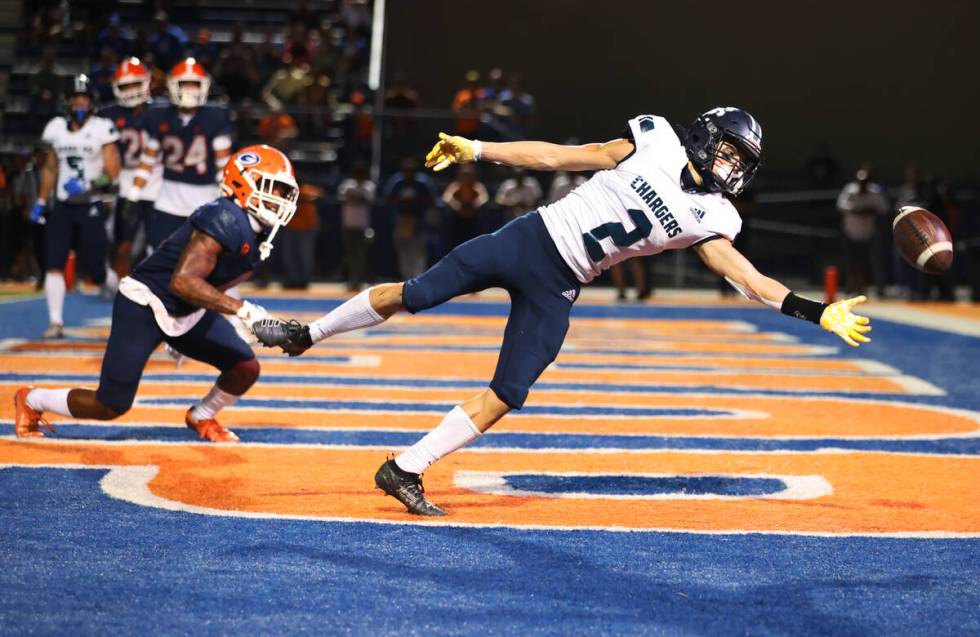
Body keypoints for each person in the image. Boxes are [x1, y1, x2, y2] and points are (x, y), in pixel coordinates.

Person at [255, 107, 872, 517]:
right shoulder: (651, 140)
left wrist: (817, 312)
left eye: (744, 163)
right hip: (530, 238)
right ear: (707, 136)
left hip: (563, 283)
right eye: (731, 153)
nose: (733, 168)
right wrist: (478, 148)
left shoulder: (718, 215)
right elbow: (557, 156)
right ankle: (309, 333)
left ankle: (405, 466)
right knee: (414, 293)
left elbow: (746, 276)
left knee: (509, 391)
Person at [13, 145, 299, 442]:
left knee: (245, 367)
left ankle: (201, 415)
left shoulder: (260, 234)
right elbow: (183, 282)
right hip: (147, 303)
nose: (280, 199)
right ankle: (32, 399)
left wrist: (199, 318)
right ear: (243, 182)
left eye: (284, 192)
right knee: (111, 404)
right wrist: (242, 311)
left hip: (186, 307)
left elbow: (214, 280)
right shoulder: (225, 217)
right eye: (274, 188)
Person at [30, 75, 121, 339]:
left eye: (83, 97)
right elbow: (49, 168)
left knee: (98, 270)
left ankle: (122, 300)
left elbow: (113, 172)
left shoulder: (102, 127)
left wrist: (90, 184)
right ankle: (56, 322)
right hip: (63, 206)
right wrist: (41, 201)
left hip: (91, 205)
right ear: (67, 102)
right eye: (75, 97)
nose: (79, 102)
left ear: (91, 101)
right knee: (54, 263)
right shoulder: (56, 128)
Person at [125, 58, 234, 249]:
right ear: (173, 86)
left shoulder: (214, 118)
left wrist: (227, 198)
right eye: (185, 84)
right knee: (157, 253)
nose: (189, 91)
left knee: (203, 256)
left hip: (204, 198)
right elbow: (148, 158)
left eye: (194, 85)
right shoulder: (159, 116)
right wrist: (134, 193)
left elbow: (223, 166)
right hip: (168, 198)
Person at [100, 58, 162, 280]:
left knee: (161, 242)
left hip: (159, 184)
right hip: (126, 185)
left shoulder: (161, 111)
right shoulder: (108, 115)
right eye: (125, 86)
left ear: (146, 83)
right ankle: (118, 285)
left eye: (135, 84)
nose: (131, 91)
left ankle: (158, 284)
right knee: (123, 242)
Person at [836, 164, 889, 296]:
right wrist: (859, 210)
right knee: (851, 262)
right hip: (850, 232)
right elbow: (841, 206)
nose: (862, 185)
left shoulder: (875, 191)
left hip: (868, 234)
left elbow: (884, 208)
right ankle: (849, 288)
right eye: (861, 182)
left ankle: (863, 289)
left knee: (867, 263)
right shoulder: (850, 190)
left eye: (865, 182)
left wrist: (867, 210)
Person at [337, 161, 376, 290]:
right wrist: (355, 196)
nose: (359, 175)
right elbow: (343, 197)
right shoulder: (348, 184)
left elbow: (365, 199)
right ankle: (350, 280)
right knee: (349, 254)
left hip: (362, 226)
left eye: (362, 173)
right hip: (348, 224)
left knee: (360, 254)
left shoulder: (368, 186)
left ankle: (358, 281)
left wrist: (354, 196)